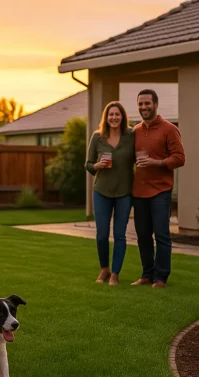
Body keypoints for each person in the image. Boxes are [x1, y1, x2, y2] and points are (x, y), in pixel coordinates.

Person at [132, 89, 185, 289]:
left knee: (162, 234)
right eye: (140, 104)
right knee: (143, 235)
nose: (144, 107)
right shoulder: (135, 131)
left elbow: (180, 158)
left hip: (161, 191)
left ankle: (161, 277)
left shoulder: (169, 129)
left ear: (156, 104)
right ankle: (147, 274)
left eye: (147, 103)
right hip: (139, 192)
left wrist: (156, 162)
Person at [85, 101, 135, 286]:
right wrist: (97, 166)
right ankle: (104, 268)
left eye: (117, 114)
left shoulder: (131, 136)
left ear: (122, 117)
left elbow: (139, 158)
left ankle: (115, 273)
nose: (114, 117)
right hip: (102, 191)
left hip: (124, 192)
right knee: (102, 234)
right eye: (110, 114)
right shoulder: (97, 137)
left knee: (120, 234)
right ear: (106, 118)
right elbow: (88, 164)